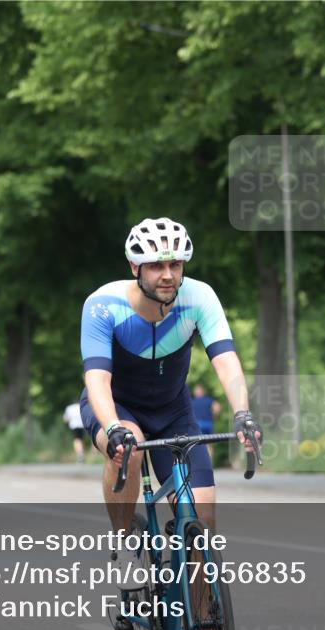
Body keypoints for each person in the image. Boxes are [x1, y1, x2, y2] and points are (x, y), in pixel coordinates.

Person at [79, 218, 261, 566]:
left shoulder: (200, 297)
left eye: (175, 264)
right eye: (157, 266)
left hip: (173, 410)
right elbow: (98, 379)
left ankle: (205, 615)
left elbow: (226, 362)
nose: (168, 274)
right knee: (128, 447)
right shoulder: (103, 304)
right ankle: (122, 540)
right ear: (135, 267)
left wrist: (242, 413)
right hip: (115, 406)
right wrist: (113, 427)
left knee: (203, 521)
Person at [191, 384, 222, 462]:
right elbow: (217, 407)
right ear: (203, 392)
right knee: (209, 444)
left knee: (196, 444)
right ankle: (209, 462)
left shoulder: (192, 402)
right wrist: (214, 416)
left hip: (197, 424)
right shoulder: (208, 400)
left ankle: (199, 463)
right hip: (208, 423)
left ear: (195, 393)